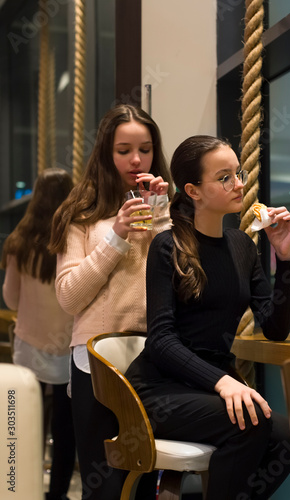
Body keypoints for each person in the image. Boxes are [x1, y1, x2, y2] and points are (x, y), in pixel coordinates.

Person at [125, 135, 290, 500]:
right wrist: (223, 381)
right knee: (252, 424)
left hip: (209, 389)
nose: (239, 184)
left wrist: (284, 259)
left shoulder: (241, 246)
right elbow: (161, 340)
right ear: (193, 190)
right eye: (224, 177)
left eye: (238, 173)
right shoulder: (167, 247)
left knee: (288, 439)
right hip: (160, 390)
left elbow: (275, 328)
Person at [48, 104, 174, 500]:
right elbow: (69, 296)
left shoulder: (165, 209)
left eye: (145, 148)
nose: (137, 160)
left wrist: (164, 220)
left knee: (143, 482)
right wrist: (116, 236)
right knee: (103, 485)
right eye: (124, 150)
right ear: (105, 151)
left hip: (154, 358)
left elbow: (182, 286)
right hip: (96, 362)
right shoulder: (80, 213)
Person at [1, 167, 76, 500]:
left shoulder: (19, 240)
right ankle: (57, 494)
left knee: (25, 423)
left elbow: (10, 298)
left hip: (29, 344)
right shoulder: (76, 236)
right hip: (69, 347)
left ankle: (22, 488)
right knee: (65, 429)